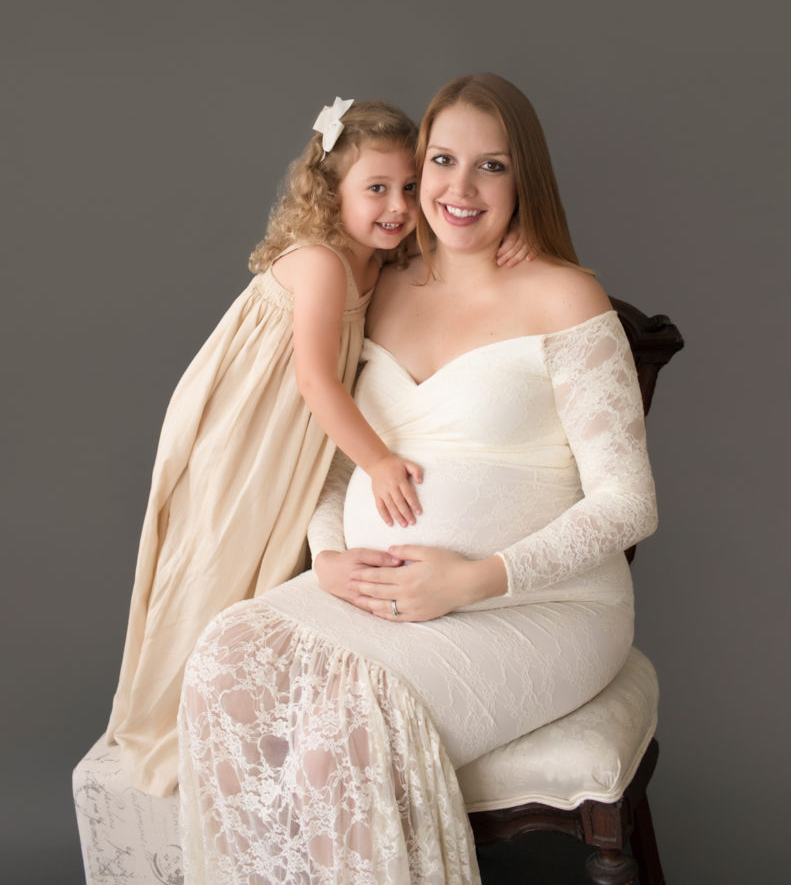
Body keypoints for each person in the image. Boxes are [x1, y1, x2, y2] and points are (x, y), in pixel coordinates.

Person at [177, 73, 659, 884]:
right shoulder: (381, 283)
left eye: (491, 167)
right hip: (372, 592)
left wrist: (475, 580)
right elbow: (333, 458)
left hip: (540, 608)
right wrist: (326, 557)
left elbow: (627, 502)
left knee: (340, 729)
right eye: (442, 160)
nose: (459, 188)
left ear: (523, 180)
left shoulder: (564, 298)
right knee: (223, 660)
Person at [106, 98, 424, 797]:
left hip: (294, 436)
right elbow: (312, 376)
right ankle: (176, 712)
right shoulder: (319, 261)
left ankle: (240, 710)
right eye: (375, 188)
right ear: (330, 188)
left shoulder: (387, 260)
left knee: (269, 565)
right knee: (219, 557)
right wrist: (375, 461)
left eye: (407, 187)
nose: (396, 205)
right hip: (245, 428)